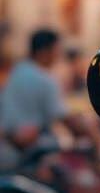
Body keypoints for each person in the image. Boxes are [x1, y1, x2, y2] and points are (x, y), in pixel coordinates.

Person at [0, 29, 91, 162]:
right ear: (44, 52)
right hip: (27, 149)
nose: (58, 56)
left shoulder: (17, 70)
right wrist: (93, 135)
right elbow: (64, 118)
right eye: (56, 50)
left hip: (9, 143)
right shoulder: (44, 79)